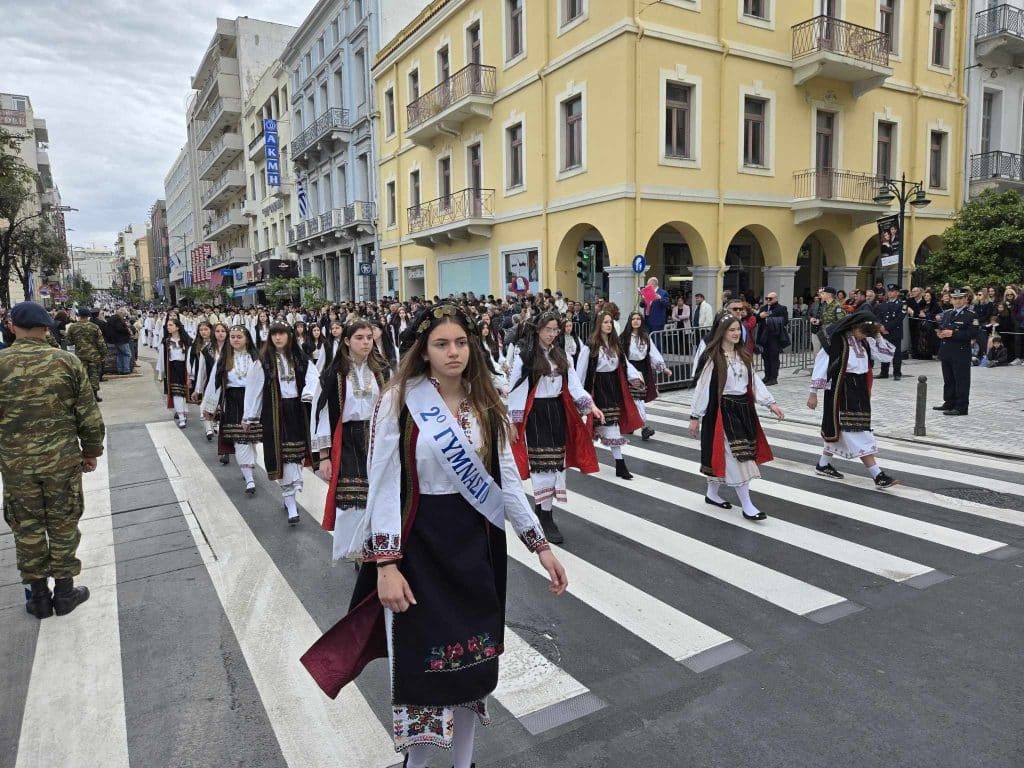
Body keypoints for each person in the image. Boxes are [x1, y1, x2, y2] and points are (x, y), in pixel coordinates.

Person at [300, 303, 566, 768]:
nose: (453, 352)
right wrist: (386, 565)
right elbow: (383, 486)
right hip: (418, 547)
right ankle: (416, 765)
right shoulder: (399, 399)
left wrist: (538, 544)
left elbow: (503, 476)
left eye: (461, 342)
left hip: (475, 548)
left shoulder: (487, 397)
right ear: (423, 350)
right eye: (441, 344)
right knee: (423, 668)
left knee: (472, 667)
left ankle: (464, 763)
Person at [0, 302, 103, 618]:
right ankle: (65, 592)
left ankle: (39, 599)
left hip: (16, 465)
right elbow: (88, 415)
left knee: (26, 527)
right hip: (61, 461)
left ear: (13, 327)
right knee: (62, 522)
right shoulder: (67, 363)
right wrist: (91, 452)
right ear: (46, 329)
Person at [509, 311, 602, 544]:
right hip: (536, 414)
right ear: (538, 329)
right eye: (547, 329)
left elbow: (575, 386)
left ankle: (545, 513)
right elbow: (516, 390)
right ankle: (544, 515)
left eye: (555, 330)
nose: (551, 334)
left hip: (557, 412)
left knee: (556, 465)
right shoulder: (526, 356)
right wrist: (514, 422)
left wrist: (590, 406)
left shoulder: (562, 356)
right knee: (542, 466)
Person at [688, 313, 784, 521]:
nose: (736, 333)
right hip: (722, 411)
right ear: (722, 332)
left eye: (738, 329)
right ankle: (747, 505)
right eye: (731, 329)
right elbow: (702, 387)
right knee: (739, 457)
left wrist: (771, 403)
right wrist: (695, 415)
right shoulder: (713, 357)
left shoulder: (743, 355)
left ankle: (712, 493)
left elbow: (754, 383)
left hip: (743, 410)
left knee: (727, 455)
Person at [312, 320, 384, 559]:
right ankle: (354, 551)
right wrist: (324, 456)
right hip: (347, 440)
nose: (365, 342)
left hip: (376, 438)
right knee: (351, 498)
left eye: (368, 337)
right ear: (346, 342)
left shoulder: (381, 370)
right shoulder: (335, 374)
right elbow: (321, 414)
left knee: (378, 494)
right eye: (359, 338)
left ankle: (371, 544)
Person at [807, 308, 898, 488]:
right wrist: (813, 394)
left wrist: (877, 336)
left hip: (860, 389)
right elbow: (821, 366)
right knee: (855, 430)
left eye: (867, 334)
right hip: (842, 389)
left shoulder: (865, 340)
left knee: (843, 429)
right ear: (854, 326)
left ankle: (823, 464)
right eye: (863, 332)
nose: (863, 337)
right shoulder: (836, 341)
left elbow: (886, 356)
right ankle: (877, 475)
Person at [243, 323, 319, 524]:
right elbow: (253, 389)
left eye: (282, 334)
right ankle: (291, 502)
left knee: (296, 457)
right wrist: (249, 416)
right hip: (275, 414)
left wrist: (308, 394)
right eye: (274, 334)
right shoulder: (263, 361)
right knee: (283, 458)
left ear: (289, 336)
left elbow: (313, 377)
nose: (278, 338)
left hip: (298, 410)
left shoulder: (300, 358)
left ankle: (290, 495)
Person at [580, 310, 645, 480]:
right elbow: (580, 372)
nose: (609, 325)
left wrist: (635, 378)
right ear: (599, 324)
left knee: (612, 425)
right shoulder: (590, 346)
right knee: (600, 426)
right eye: (605, 322)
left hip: (613, 388)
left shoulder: (615, 345)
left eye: (610, 322)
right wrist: (580, 396)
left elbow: (624, 364)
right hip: (597, 388)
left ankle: (620, 465)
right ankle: (615, 464)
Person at [204, 326, 262, 482]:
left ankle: (248, 467)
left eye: (239, 337)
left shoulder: (256, 358)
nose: (235, 340)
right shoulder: (223, 359)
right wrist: (208, 407)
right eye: (233, 337)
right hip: (232, 400)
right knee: (239, 438)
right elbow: (213, 383)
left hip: (253, 401)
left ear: (247, 339)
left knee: (251, 438)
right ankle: (249, 477)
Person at [620, 311, 667, 441]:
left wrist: (663, 368)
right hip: (629, 370)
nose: (636, 321)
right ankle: (643, 427)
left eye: (638, 319)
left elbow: (653, 353)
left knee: (636, 399)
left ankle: (632, 425)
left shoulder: (645, 337)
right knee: (635, 399)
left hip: (642, 370)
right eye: (633, 319)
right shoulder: (624, 337)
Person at [934, 287, 977, 416]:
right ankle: (949, 402)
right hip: (947, 350)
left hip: (961, 352)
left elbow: (972, 333)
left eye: (960, 298)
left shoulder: (971, 315)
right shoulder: (948, 313)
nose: (957, 301)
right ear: (951, 299)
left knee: (961, 380)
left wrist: (953, 333)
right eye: (955, 298)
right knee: (948, 379)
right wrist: (940, 334)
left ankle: (961, 406)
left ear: (965, 299)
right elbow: (942, 328)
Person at [156, 318, 193, 428]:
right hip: (172, 368)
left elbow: (191, 357)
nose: (168, 327)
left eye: (171, 325)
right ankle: (181, 416)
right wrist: (161, 373)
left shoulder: (187, 340)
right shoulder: (166, 341)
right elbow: (162, 358)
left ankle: (184, 412)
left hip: (185, 368)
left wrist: (191, 373)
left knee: (184, 392)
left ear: (177, 327)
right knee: (177, 392)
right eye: (167, 325)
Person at [65, 307, 107, 402]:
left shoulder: (73, 327)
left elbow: (69, 342)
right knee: (94, 375)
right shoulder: (94, 327)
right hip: (94, 355)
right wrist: (103, 354)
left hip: (80, 355)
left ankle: (83, 395)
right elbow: (101, 343)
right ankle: (94, 395)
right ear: (88, 315)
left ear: (79, 315)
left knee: (82, 375)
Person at [756, 292, 789, 385]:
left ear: (776, 299)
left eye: (770, 298)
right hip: (763, 335)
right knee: (765, 356)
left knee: (773, 357)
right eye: (767, 298)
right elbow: (756, 319)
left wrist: (769, 319)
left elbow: (785, 321)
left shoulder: (781, 308)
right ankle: (767, 376)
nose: (768, 300)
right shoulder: (763, 308)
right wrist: (760, 316)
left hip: (774, 336)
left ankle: (773, 377)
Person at [875, 284, 906, 380]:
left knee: (896, 354)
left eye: (892, 291)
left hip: (894, 332)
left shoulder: (902, 304)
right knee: (884, 352)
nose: (890, 293)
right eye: (889, 291)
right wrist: (880, 327)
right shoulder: (883, 304)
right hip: (883, 332)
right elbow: (878, 316)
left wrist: (886, 328)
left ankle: (897, 373)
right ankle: (884, 372)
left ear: (897, 293)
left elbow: (899, 319)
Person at [107, 309, 134, 375]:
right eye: (124, 314)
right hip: (122, 339)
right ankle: (126, 370)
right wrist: (127, 330)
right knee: (127, 354)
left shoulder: (111, 318)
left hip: (115, 340)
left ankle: (120, 369)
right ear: (120, 313)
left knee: (120, 355)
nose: (124, 316)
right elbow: (119, 328)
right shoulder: (118, 319)